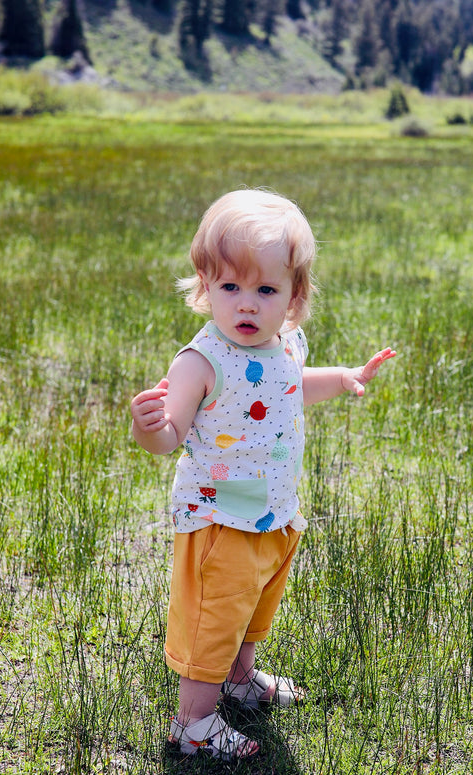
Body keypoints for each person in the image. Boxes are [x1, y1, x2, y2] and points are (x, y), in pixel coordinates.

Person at [130, 189, 395, 761]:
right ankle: (194, 725)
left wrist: (344, 376)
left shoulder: (286, 344)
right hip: (220, 518)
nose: (246, 305)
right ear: (205, 285)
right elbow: (168, 436)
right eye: (230, 288)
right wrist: (148, 427)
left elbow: (293, 385)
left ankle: (240, 680)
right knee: (213, 621)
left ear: (294, 297)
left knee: (252, 607)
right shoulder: (200, 362)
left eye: (265, 290)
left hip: (273, 513)